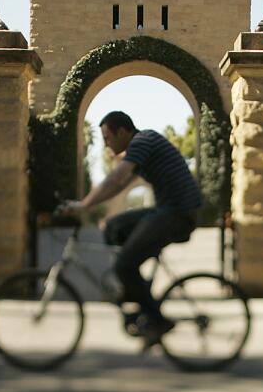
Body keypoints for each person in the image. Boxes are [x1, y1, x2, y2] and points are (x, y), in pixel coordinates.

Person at [61, 110, 202, 348]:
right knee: (115, 227)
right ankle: (135, 289)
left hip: (178, 213)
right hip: (168, 210)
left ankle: (157, 321)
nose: (106, 144)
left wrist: (83, 205)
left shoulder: (143, 141)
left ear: (123, 132)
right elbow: (119, 187)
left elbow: (116, 179)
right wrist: (85, 204)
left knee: (124, 264)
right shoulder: (141, 149)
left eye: (107, 138)